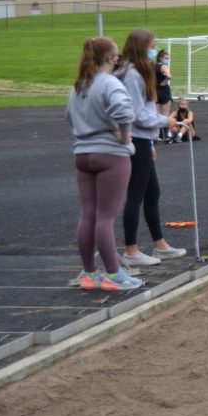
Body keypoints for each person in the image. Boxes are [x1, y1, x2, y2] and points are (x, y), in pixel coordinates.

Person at [65, 37, 143, 291]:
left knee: (87, 214)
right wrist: (122, 135)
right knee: (105, 217)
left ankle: (89, 273)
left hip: (83, 154)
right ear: (111, 58)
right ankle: (113, 273)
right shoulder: (110, 83)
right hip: (110, 155)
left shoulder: (79, 85)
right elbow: (125, 112)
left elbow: (69, 116)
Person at [115, 29, 184, 265]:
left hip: (143, 139)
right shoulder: (132, 75)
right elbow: (137, 114)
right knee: (136, 193)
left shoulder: (135, 72)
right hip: (136, 138)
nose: (155, 50)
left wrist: (152, 138)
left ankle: (159, 244)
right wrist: (165, 121)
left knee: (152, 192)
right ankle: (131, 250)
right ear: (142, 46)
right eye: (152, 46)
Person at [154, 49, 172, 141]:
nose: (167, 60)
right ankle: (166, 134)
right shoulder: (164, 66)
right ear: (160, 58)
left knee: (157, 114)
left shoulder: (153, 66)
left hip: (155, 90)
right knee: (165, 114)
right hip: (164, 91)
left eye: (168, 58)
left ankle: (158, 135)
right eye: (166, 58)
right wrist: (164, 82)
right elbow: (169, 76)